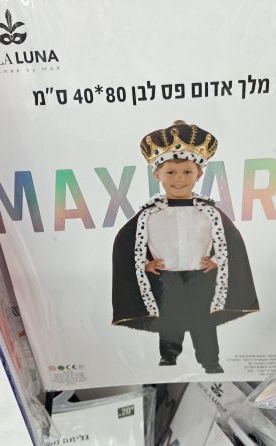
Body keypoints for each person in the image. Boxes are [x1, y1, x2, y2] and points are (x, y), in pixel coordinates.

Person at [111, 120, 259, 374]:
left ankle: (209, 360)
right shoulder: (149, 215)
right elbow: (126, 242)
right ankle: (169, 356)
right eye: (171, 172)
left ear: (198, 175)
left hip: (200, 277)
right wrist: (145, 264)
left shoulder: (209, 213)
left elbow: (231, 242)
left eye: (187, 172)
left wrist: (216, 261)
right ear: (157, 174)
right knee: (170, 319)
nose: (179, 179)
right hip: (166, 278)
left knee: (204, 321)